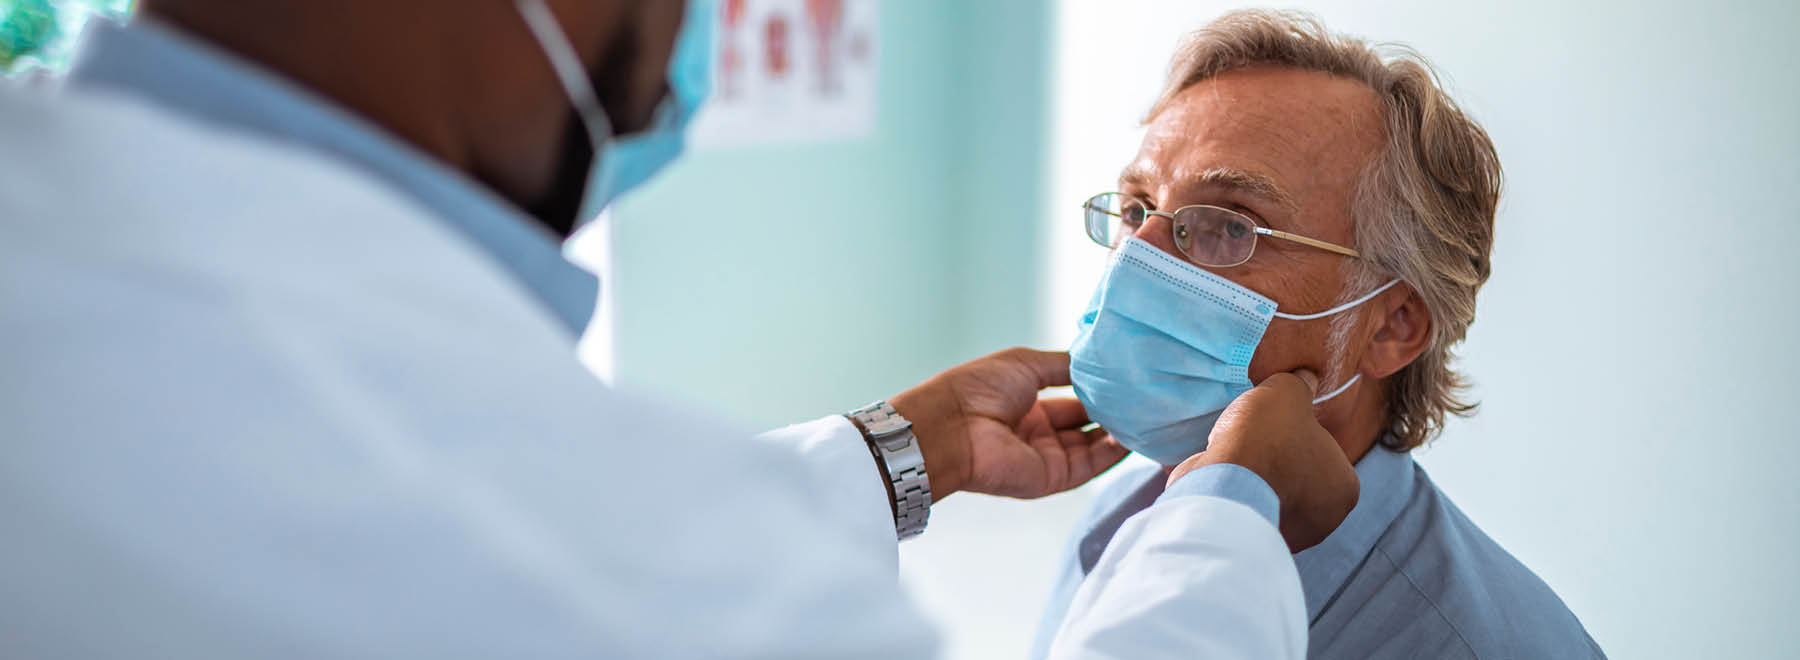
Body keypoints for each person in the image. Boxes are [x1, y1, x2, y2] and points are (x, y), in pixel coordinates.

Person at [0, 1, 1360, 657]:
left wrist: (898, 453)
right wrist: (1227, 517)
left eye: (1220, 225)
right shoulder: (675, 591)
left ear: (1393, 323)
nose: (679, 52)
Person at [1031, 10, 1604, 659]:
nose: (1140, 258)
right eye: (1137, 209)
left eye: (1229, 225)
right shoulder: (1121, 520)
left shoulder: (1470, 642)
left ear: (1393, 325)